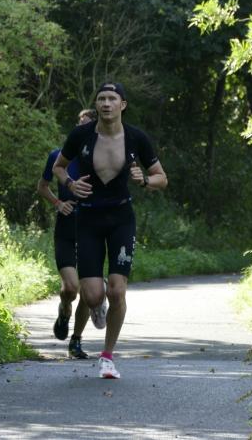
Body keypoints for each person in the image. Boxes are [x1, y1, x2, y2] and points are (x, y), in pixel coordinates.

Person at [52, 82, 167, 379]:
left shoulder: (136, 138)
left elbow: (161, 178)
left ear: (122, 105)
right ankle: (97, 297)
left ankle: (107, 357)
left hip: (121, 219)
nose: (106, 103)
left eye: (112, 99)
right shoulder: (81, 135)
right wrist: (70, 184)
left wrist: (144, 181)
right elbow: (58, 168)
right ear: (97, 104)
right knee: (92, 297)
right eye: (101, 99)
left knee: (117, 291)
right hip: (88, 219)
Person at [38, 108, 97, 359]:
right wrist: (58, 203)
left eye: (86, 124)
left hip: (92, 229)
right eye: (78, 123)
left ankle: (76, 341)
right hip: (66, 229)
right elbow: (42, 187)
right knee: (71, 289)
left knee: (89, 292)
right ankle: (64, 311)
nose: (80, 127)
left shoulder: (100, 159)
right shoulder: (57, 156)